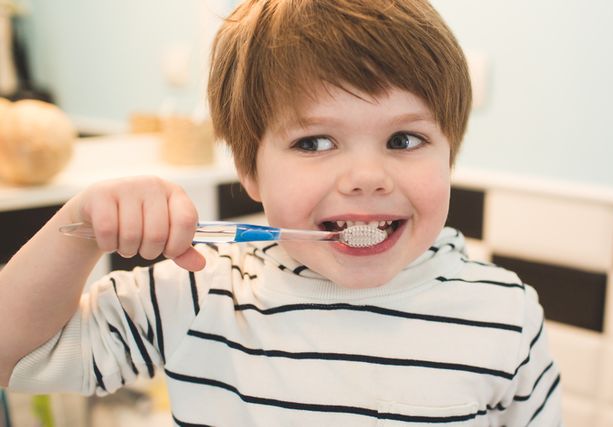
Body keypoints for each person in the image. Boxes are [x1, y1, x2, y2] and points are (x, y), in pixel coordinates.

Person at [0, 0, 562, 425]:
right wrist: (77, 230)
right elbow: (13, 358)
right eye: (314, 143)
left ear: (451, 153)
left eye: (405, 139)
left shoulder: (506, 316)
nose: (367, 177)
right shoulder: (198, 292)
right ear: (250, 170)